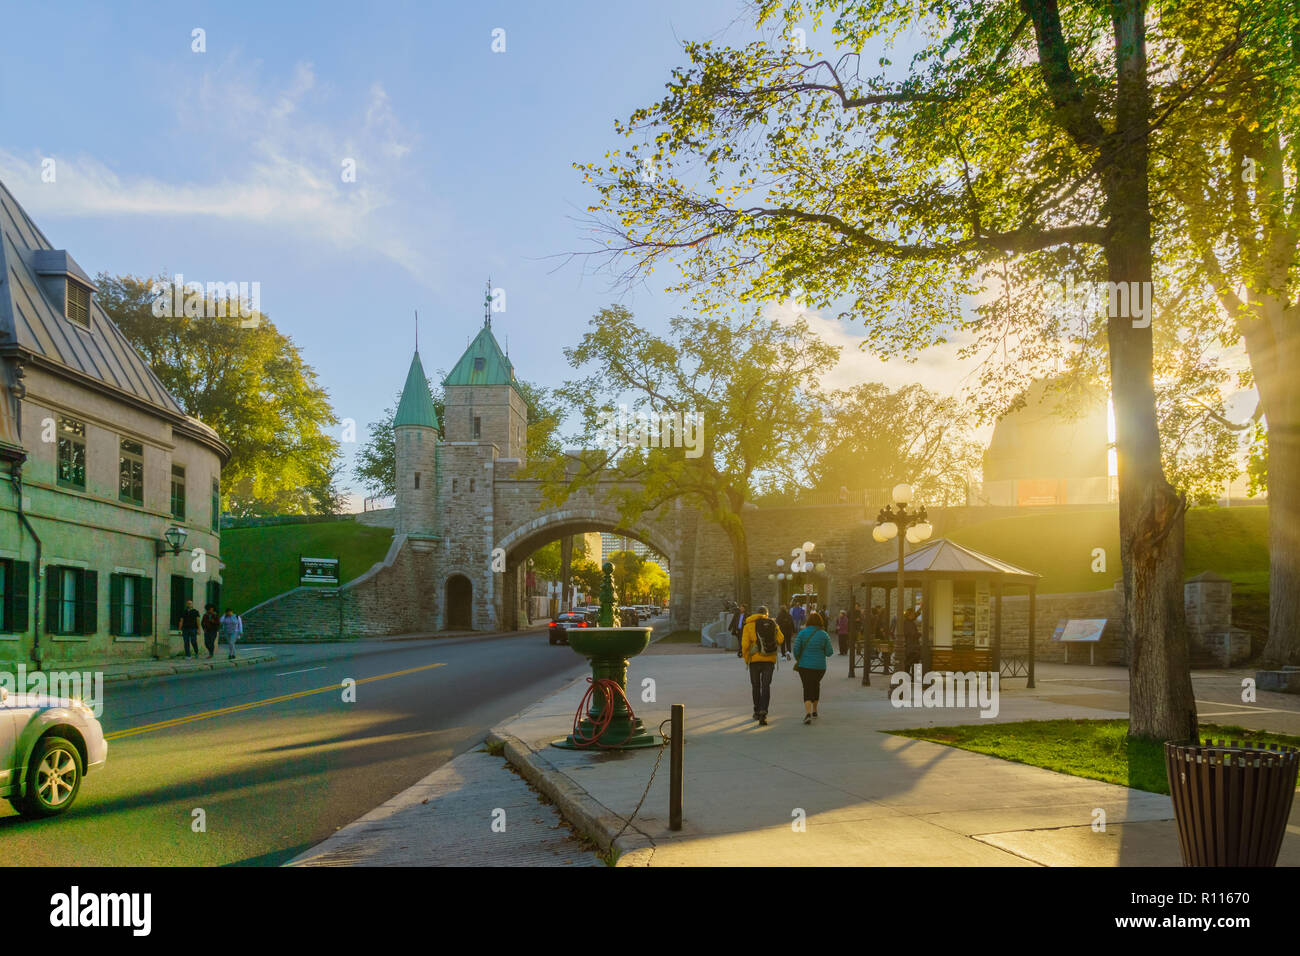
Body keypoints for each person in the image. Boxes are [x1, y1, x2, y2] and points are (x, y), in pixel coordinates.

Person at [741, 605, 783, 725]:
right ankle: (764, 711)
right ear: (767, 614)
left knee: (755, 686)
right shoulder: (773, 624)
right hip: (769, 660)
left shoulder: (748, 625)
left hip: (754, 660)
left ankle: (756, 710)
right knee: (766, 686)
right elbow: (781, 639)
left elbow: (744, 645)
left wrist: (747, 658)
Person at [791, 611, 836, 724]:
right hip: (820, 667)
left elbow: (796, 650)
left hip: (804, 665)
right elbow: (829, 652)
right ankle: (815, 710)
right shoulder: (824, 634)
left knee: (807, 687)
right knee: (816, 685)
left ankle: (807, 713)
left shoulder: (802, 633)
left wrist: (799, 658)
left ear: (808, 621)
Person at [902, 606, 922, 672]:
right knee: (911, 663)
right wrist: (920, 633)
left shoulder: (908, 621)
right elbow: (913, 634)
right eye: (913, 614)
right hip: (911, 646)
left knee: (912, 663)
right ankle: (911, 677)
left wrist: (920, 608)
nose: (914, 615)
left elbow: (916, 615)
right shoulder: (908, 623)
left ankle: (911, 677)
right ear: (909, 615)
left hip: (911, 646)